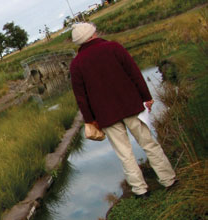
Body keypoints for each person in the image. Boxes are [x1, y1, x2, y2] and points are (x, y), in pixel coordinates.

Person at [69, 22, 176, 197]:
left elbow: (81, 97)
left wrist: (90, 120)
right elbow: (134, 73)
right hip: (131, 105)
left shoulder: (76, 65)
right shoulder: (114, 47)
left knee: (124, 153)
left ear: (79, 41)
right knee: (149, 144)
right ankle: (168, 179)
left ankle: (140, 189)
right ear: (92, 34)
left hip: (106, 115)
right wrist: (146, 97)